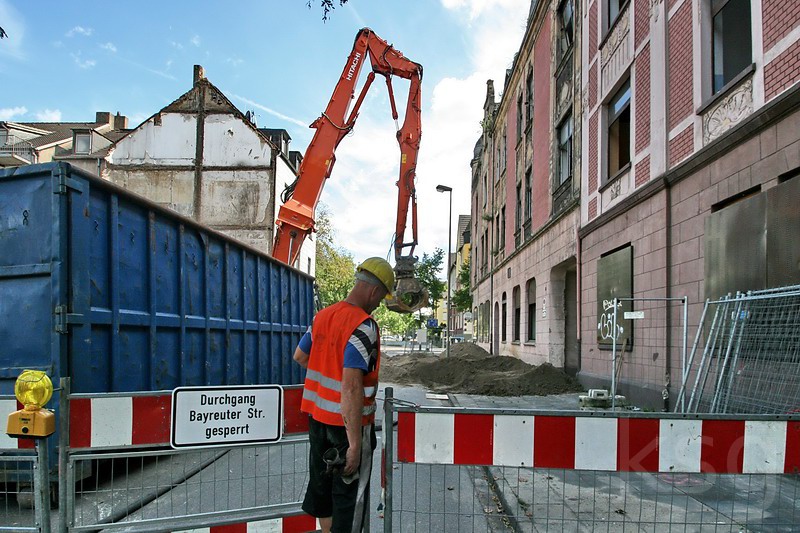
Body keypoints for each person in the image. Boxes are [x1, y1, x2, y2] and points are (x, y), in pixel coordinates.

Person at [293, 257, 395, 533]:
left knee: (323, 493)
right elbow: (351, 387)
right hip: (347, 428)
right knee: (349, 501)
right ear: (374, 291)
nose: (378, 304)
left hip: (318, 423)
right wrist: (353, 445)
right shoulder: (363, 325)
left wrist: (327, 369)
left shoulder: (322, 316)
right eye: (381, 297)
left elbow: (300, 356)